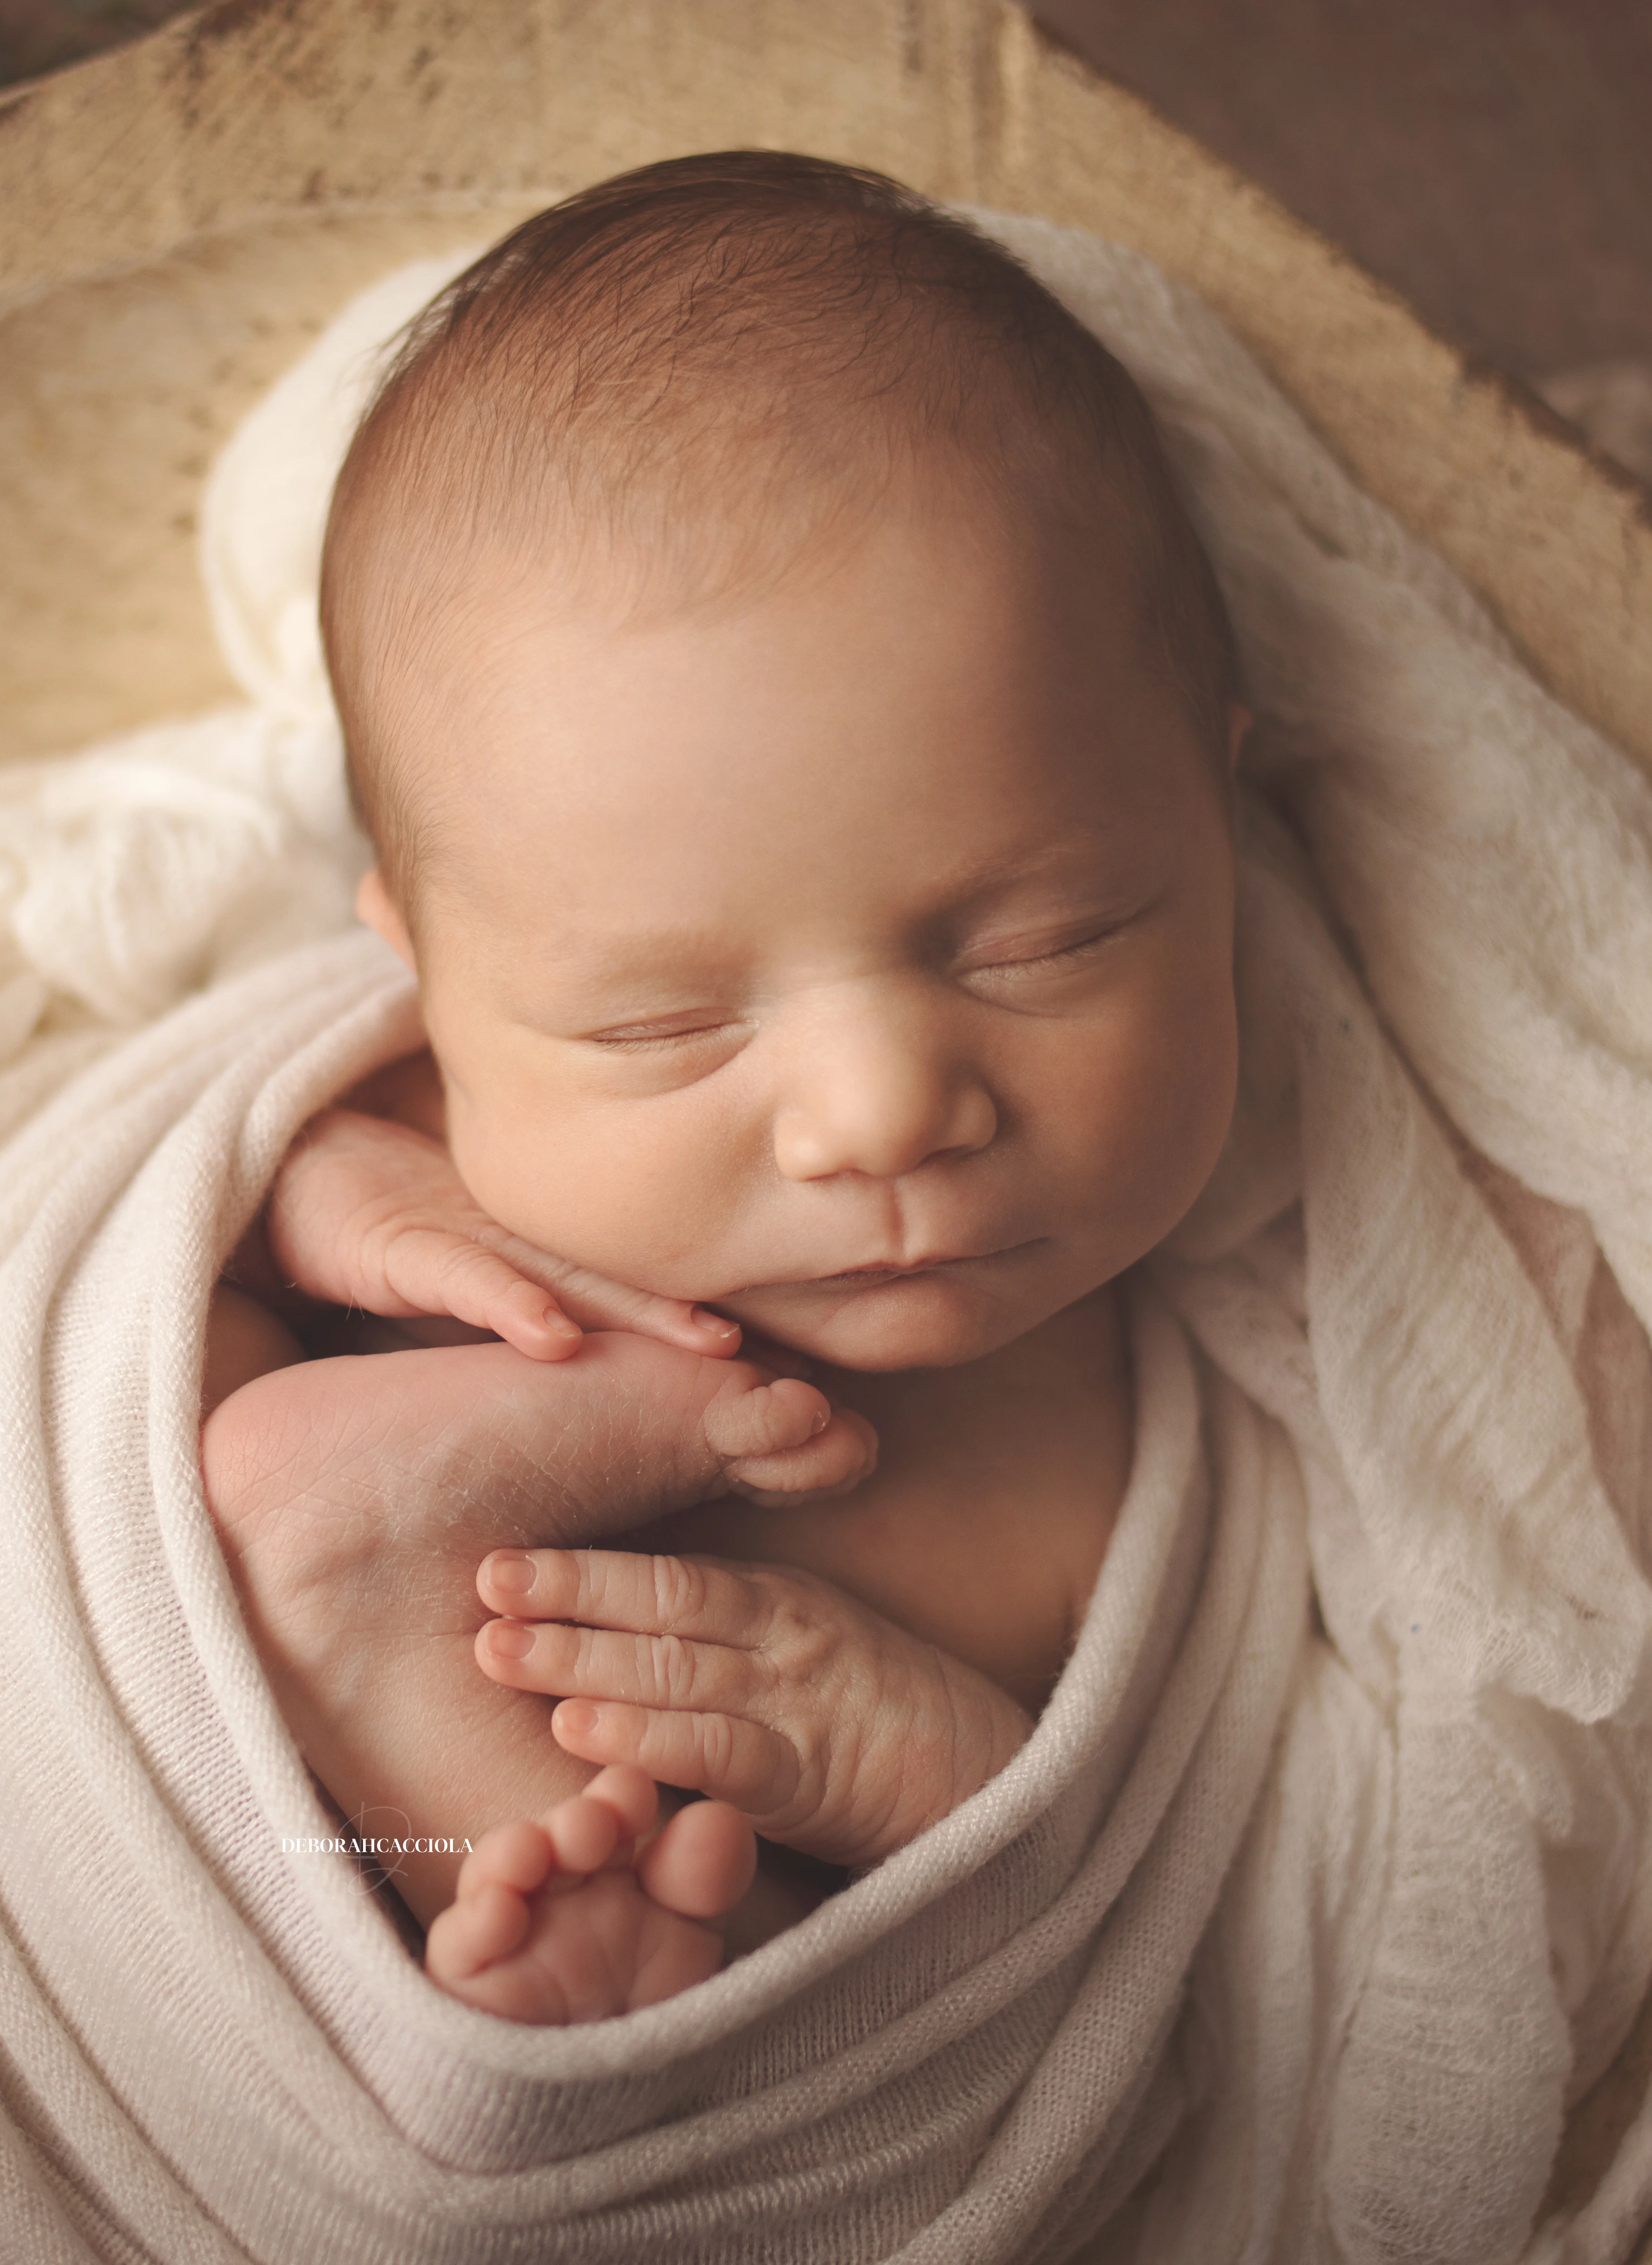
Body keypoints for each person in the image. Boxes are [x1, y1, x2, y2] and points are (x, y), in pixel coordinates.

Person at [195, 149, 1256, 2026]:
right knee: (172, 1368)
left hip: (506, 1921)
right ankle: (347, 1608)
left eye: (1044, 941)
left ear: (1221, 815)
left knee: (715, 1974)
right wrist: (329, 1193)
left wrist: (923, 1769)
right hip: (205, 1772)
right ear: (425, 988)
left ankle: (503, 1852)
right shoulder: (433, 1132)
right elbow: (130, 1221)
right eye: (660, 1028)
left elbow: (1095, 1978)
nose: (878, 1117)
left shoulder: (1152, 1454)